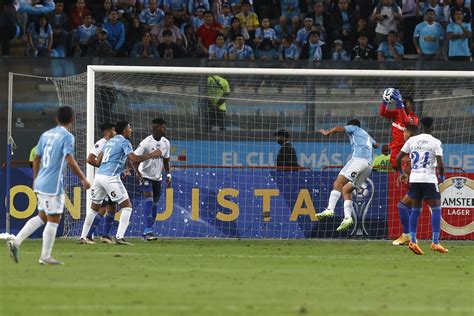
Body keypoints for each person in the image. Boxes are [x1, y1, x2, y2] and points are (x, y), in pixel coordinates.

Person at [7, 106, 90, 265]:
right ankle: (45, 256)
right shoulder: (67, 137)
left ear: (56, 119)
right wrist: (83, 178)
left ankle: (16, 242)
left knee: (42, 216)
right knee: (54, 218)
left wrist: (35, 179)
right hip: (52, 185)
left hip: (41, 182)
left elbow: (36, 158)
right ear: (72, 119)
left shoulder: (46, 135)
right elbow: (70, 160)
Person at [81, 121, 162, 245]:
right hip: (110, 177)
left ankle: (84, 237)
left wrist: (118, 166)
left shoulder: (109, 141)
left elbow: (97, 162)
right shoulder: (124, 142)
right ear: (124, 130)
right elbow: (134, 158)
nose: (131, 130)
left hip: (99, 177)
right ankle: (119, 237)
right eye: (130, 128)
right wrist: (152, 154)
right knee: (127, 206)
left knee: (94, 208)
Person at [396, 117, 448, 255]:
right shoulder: (435, 142)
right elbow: (440, 164)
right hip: (429, 179)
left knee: (415, 210)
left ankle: (413, 241)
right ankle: (435, 242)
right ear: (432, 126)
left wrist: (402, 173)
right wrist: (442, 177)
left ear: (420, 125)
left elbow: (397, 158)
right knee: (436, 209)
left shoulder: (412, 140)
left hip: (415, 179)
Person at [316, 119, 379, 232]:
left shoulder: (354, 128)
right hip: (368, 166)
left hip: (358, 160)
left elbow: (337, 128)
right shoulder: (366, 134)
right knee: (346, 190)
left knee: (338, 183)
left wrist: (328, 132)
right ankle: (348, 218)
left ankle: (330, 209)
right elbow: (376, 145)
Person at [132, 118, 171, 241]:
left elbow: (166, 160)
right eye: (163, 127)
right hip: (145, 176)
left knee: (155, 205)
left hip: (157, 178)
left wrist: (168, 175)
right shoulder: (146, 142)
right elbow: (134, 158)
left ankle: (147, 231)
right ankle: (148, 231)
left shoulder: (166, 143)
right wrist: (137, 172)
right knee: (148, 200)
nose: (165, 129)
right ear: (156, 128)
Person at [79, 123, 116, 244]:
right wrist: (104, 165)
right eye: (114, 130)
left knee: (111, 207)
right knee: (100, 207)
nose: (115, 133)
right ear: (109, 131)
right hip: (103, 180)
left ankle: (104, 235)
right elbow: (90, 159)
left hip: (111, 179)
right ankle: (87, 235)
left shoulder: (112, 144)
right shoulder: (100, 143)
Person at [391, 124, 418, 246]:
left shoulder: (412, 143)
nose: (402, 134)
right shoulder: (419, 143)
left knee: (402, 206)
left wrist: (404, 172)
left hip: (419, 181)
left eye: (404, 132)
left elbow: (412, 162)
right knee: (411, 208)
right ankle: (411, 237)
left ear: (408, 132)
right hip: (425, 180)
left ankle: (407, 235)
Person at [379, 89, 419, 170]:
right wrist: (385, 101)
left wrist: (399, 103)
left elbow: (405, 121)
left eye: (405, 103)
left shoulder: (413, 118)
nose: (403, 105)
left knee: (404, 175)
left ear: (411, 105)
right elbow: (382, 113)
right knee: (395, 176)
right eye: (402, 102)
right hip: (394, 151)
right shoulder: (397, 112)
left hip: (405, 152)